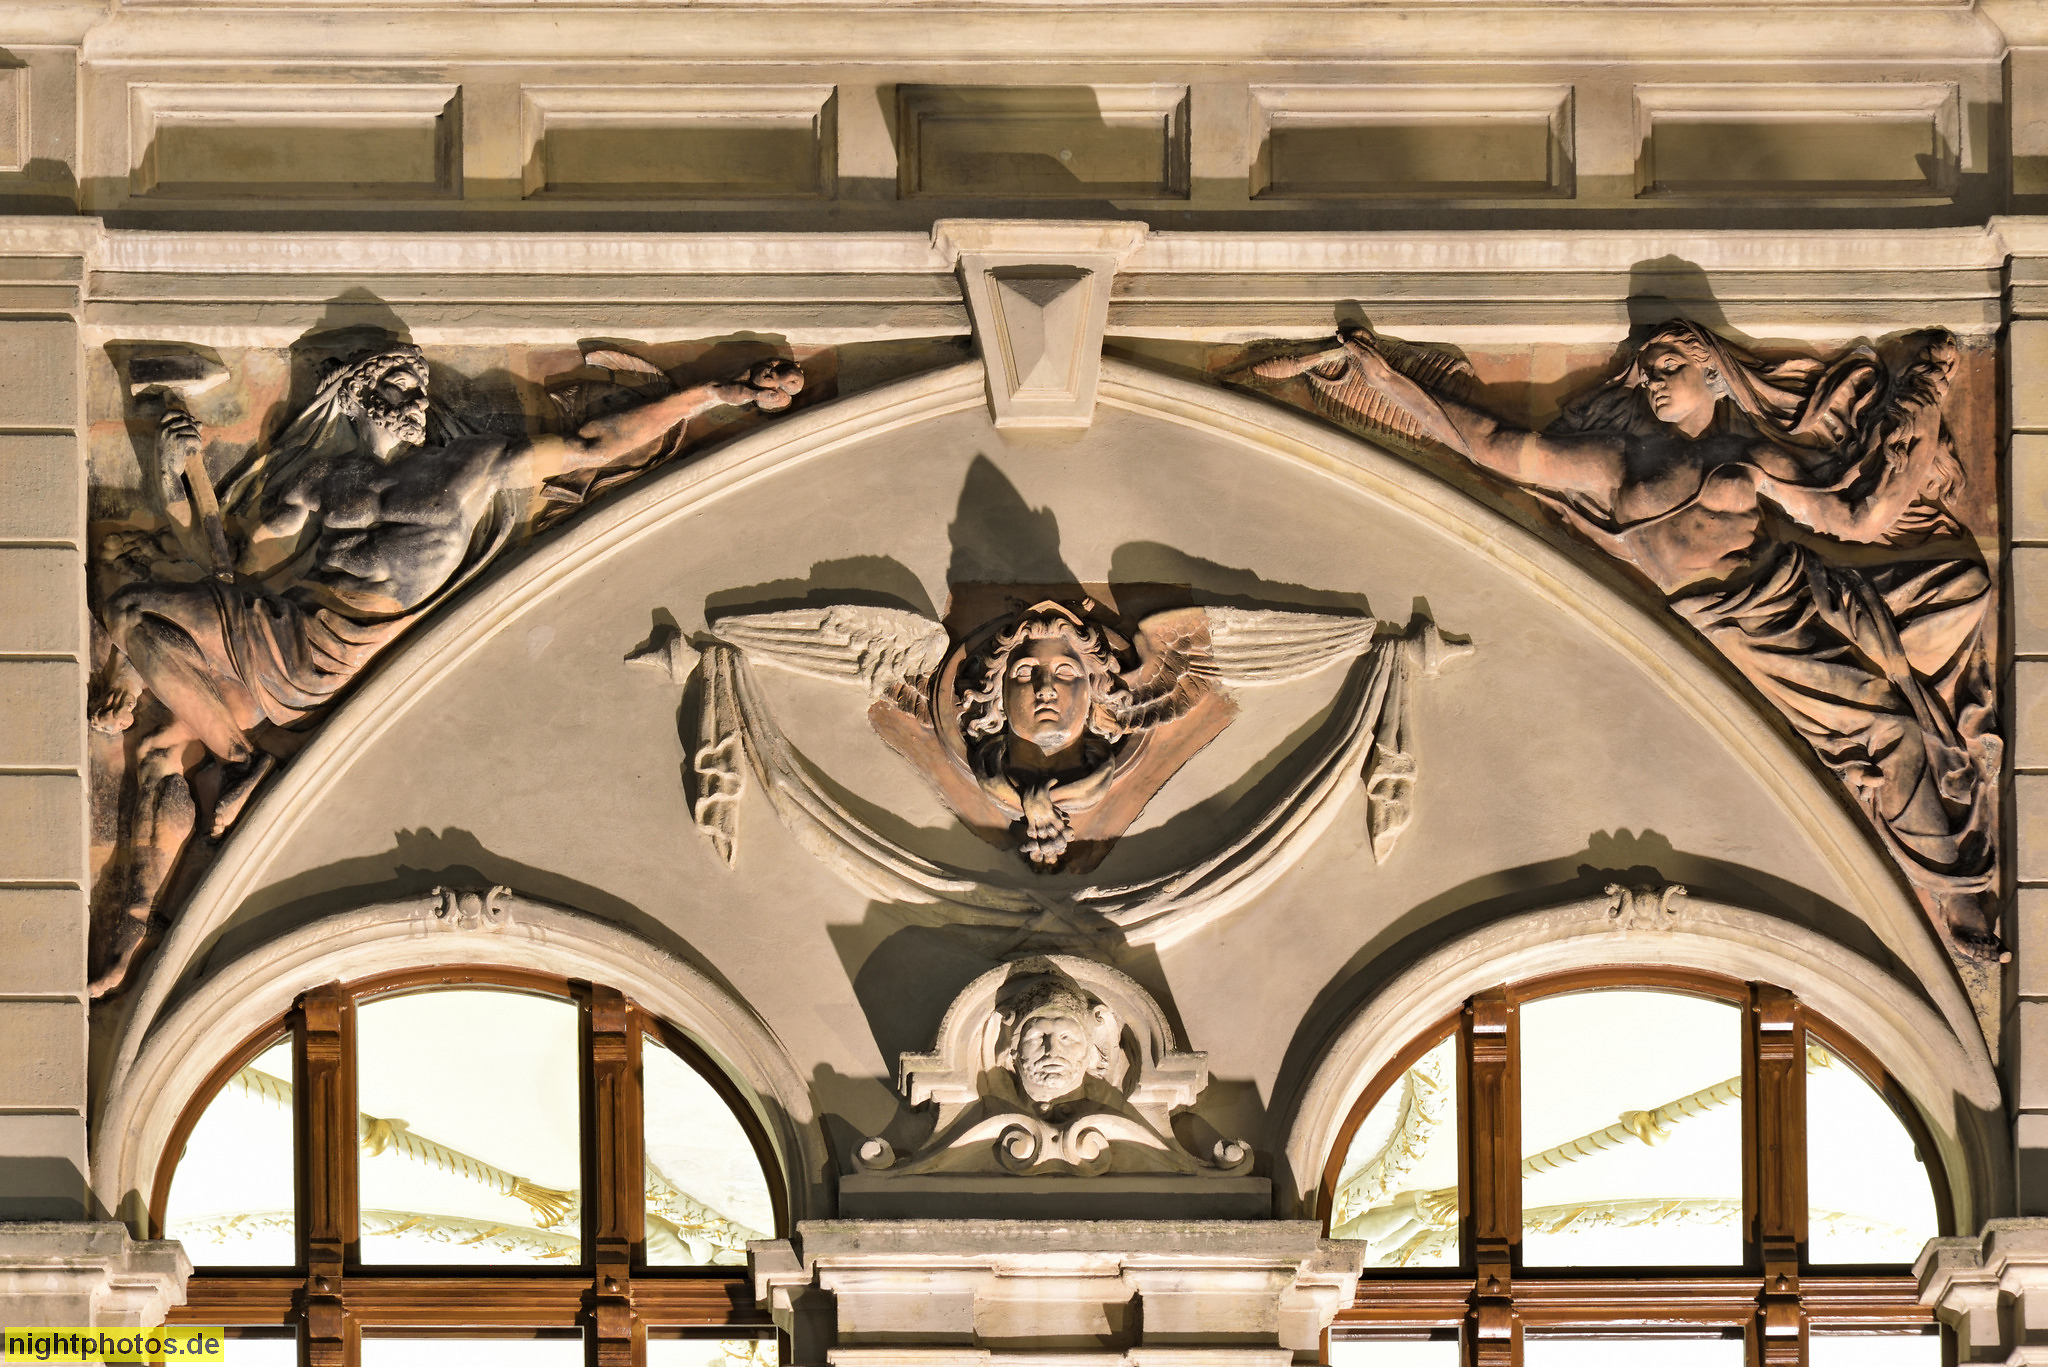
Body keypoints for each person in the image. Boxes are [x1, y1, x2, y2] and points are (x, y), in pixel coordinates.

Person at [89, 344, 804, 995]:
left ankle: (244, 756)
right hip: (282, 630)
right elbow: (228, 559)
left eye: (420, 385)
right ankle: (130, 937)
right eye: (398, 383)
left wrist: (714, 392)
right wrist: (174, 468)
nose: (416, 398)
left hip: (343, 653)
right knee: (157, 749)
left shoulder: (468, 466)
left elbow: (593, 445)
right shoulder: (322, 477)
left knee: (130, 610)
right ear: (359, 394)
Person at [1274, 319, 1998, 952]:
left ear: (1713, 372)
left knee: (1960, 594)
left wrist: (1921, 405)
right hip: (1740, 626)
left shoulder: (1747, 455)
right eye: (1648, 369)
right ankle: (1954, 890)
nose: (1653, 380)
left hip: (1799, 587)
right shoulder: (1616, 459)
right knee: (1888, 730)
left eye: (1669, 366)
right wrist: (1387, 380)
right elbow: (1493, 443)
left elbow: (1855, 516)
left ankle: (1948, 843)